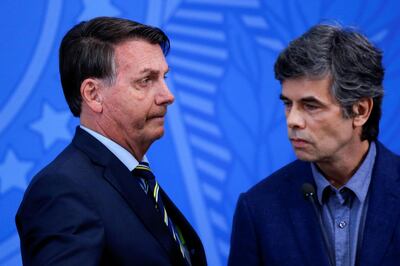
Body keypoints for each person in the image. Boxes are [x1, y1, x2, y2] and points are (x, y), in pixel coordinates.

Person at [16, 16, 206, 266]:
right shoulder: (62, 190)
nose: (167, 96)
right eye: (145, 80)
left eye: (164, 78)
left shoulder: (137, 179)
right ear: (93, 95)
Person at [228, 23, 400, 266]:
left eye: (311, 106)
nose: (293, 120)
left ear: (360, 110)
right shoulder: (258, 209)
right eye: (288, 104)